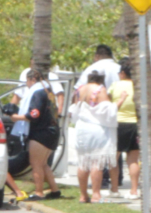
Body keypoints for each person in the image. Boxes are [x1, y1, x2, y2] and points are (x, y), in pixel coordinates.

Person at [12, 69, 62, 201]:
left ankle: (39, 192)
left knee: (36, 164)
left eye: (27, 82)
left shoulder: (38, 92)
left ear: (32, 80)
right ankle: (55, 190)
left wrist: (17, 117)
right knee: (43, 164)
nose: (27, 86)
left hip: (42, 133)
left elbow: (34, 114)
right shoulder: (48, 90)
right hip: (52, 131)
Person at [72, 70, 117, 203]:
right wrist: (119, 102)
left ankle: (83, 195)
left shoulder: (80, 89)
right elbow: (107, 111)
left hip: (82, 127)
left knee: (83, 161)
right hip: (96, 128)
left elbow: (75, 108)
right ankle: (96, 194)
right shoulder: (100, 89)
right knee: (96, 161)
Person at [109, 58, 141, 199]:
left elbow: (109, 104)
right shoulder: (137, 86)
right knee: (133, 160)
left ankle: (115, 189)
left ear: (122, 73)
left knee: (114, 159)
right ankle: (134, 190)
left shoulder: (115, 85)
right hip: (135, 125)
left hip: (117, 124)